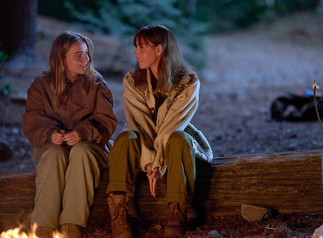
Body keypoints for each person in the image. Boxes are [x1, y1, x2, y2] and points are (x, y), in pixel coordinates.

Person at [106, 24, 213, 238]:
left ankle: (178, 213)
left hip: (173, 146)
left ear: (159, 49)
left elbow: (172, 126)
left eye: (142, 47)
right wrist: (148, 161)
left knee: (179, 138)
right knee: (126, 137)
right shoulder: (131, 81)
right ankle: (119, 214)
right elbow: (139, 124)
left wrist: (157, 163)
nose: (136, 53)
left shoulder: (188, 82)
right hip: (142, 144)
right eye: (136, 47)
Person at [23, 31, 118, 238]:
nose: (86, 60)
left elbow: (107, 122)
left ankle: (71, 226)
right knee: (53, 154)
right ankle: (43, 227)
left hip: (91, 144)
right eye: (78, 55)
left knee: (81, 152)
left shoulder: (96, 85)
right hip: (51, 145)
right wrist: (50, 133)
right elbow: (33, 120)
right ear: (61, 58)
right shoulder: (41, 86)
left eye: (86, 54)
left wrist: (83, 132)